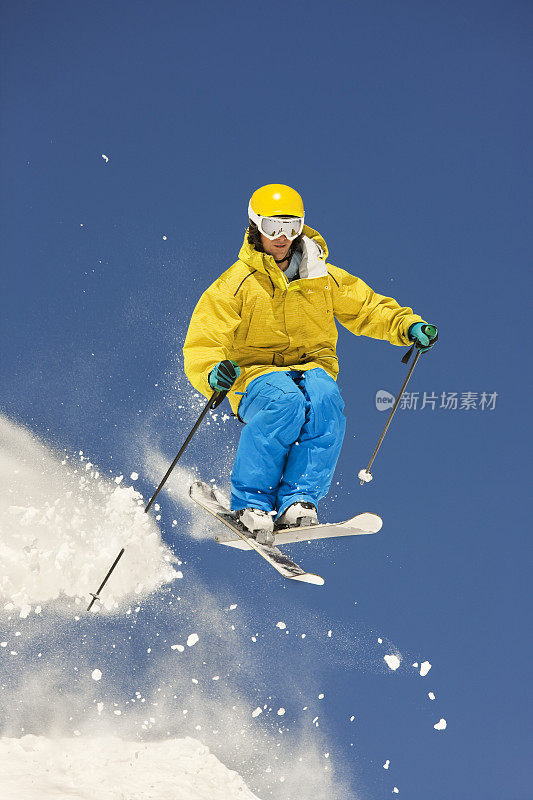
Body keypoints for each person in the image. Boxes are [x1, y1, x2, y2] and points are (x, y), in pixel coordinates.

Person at [183, 184, 437, 545]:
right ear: (256, 227)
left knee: (324, 399)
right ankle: (251, 504)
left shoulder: (322, 277)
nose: (282, 237)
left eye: (291, 226)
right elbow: (204, 338)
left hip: (312, 367)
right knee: (283, 400)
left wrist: (407, 325)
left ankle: (298, 501)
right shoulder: (236, 285)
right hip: (255, 374)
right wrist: (212, 372)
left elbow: (367, 307)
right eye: (273, 227)